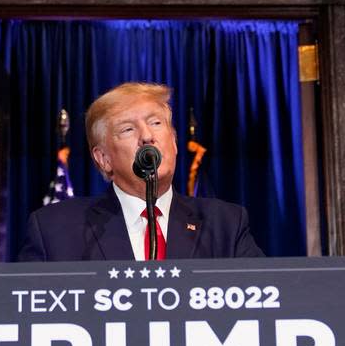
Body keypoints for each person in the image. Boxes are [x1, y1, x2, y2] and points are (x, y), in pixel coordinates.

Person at [20, 82, 262, 262]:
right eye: (127, 129)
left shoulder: (226, 225)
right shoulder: (54, 229)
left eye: (156, 123)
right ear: (103, 159)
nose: (147, 136)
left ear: (175, 143)